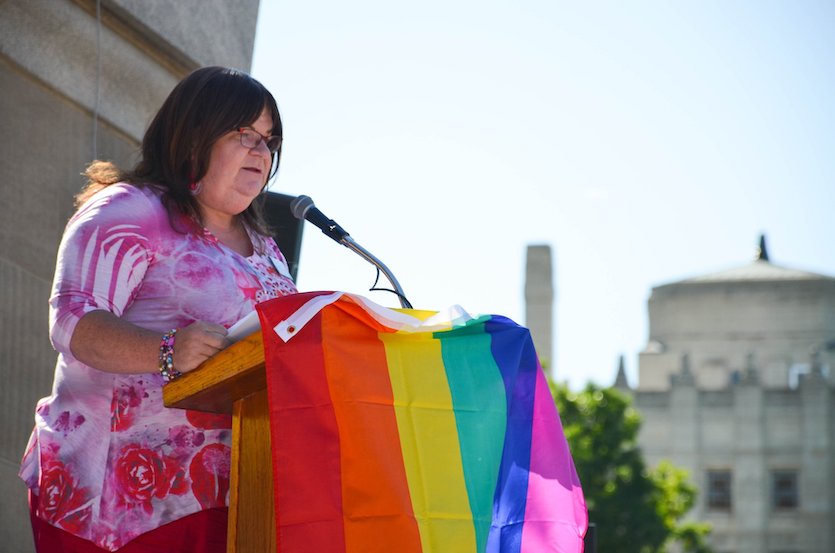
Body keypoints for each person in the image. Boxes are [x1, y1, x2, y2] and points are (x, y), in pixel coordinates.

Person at [19, 66, 298, 552]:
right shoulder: (130, 210)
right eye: (243, 134)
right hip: (120, 500)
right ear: (194, 134)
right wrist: (168, 350)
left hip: (233, 498)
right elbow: (71, 321)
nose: (261, 150)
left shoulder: (267, 250)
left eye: (269, 140)